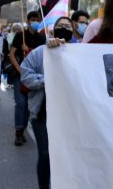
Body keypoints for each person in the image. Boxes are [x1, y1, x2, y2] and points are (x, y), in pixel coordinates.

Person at [21, 16, 76, 189]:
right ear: (53, 30)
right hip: (43, 112)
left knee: (68, 155)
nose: (64, 28)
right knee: (45, 154)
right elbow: (25, 75)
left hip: (71, 114)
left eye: (67, 26)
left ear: (72, 31)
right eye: (60, 25)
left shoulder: (80, 52)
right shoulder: (39, 52)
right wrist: (48, 80)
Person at [9, 11, 46, 146]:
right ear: (28, 21)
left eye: (37, 19)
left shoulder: (41, 38)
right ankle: (18, 131)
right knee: (20, 103)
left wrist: (28, 49)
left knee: (28, 105)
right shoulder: (20, 35)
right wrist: (20, 70)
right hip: (19, 75)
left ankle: (23, 128)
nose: (35, 21)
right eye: (33, 19)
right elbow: (11, 54)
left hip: (34, 77)